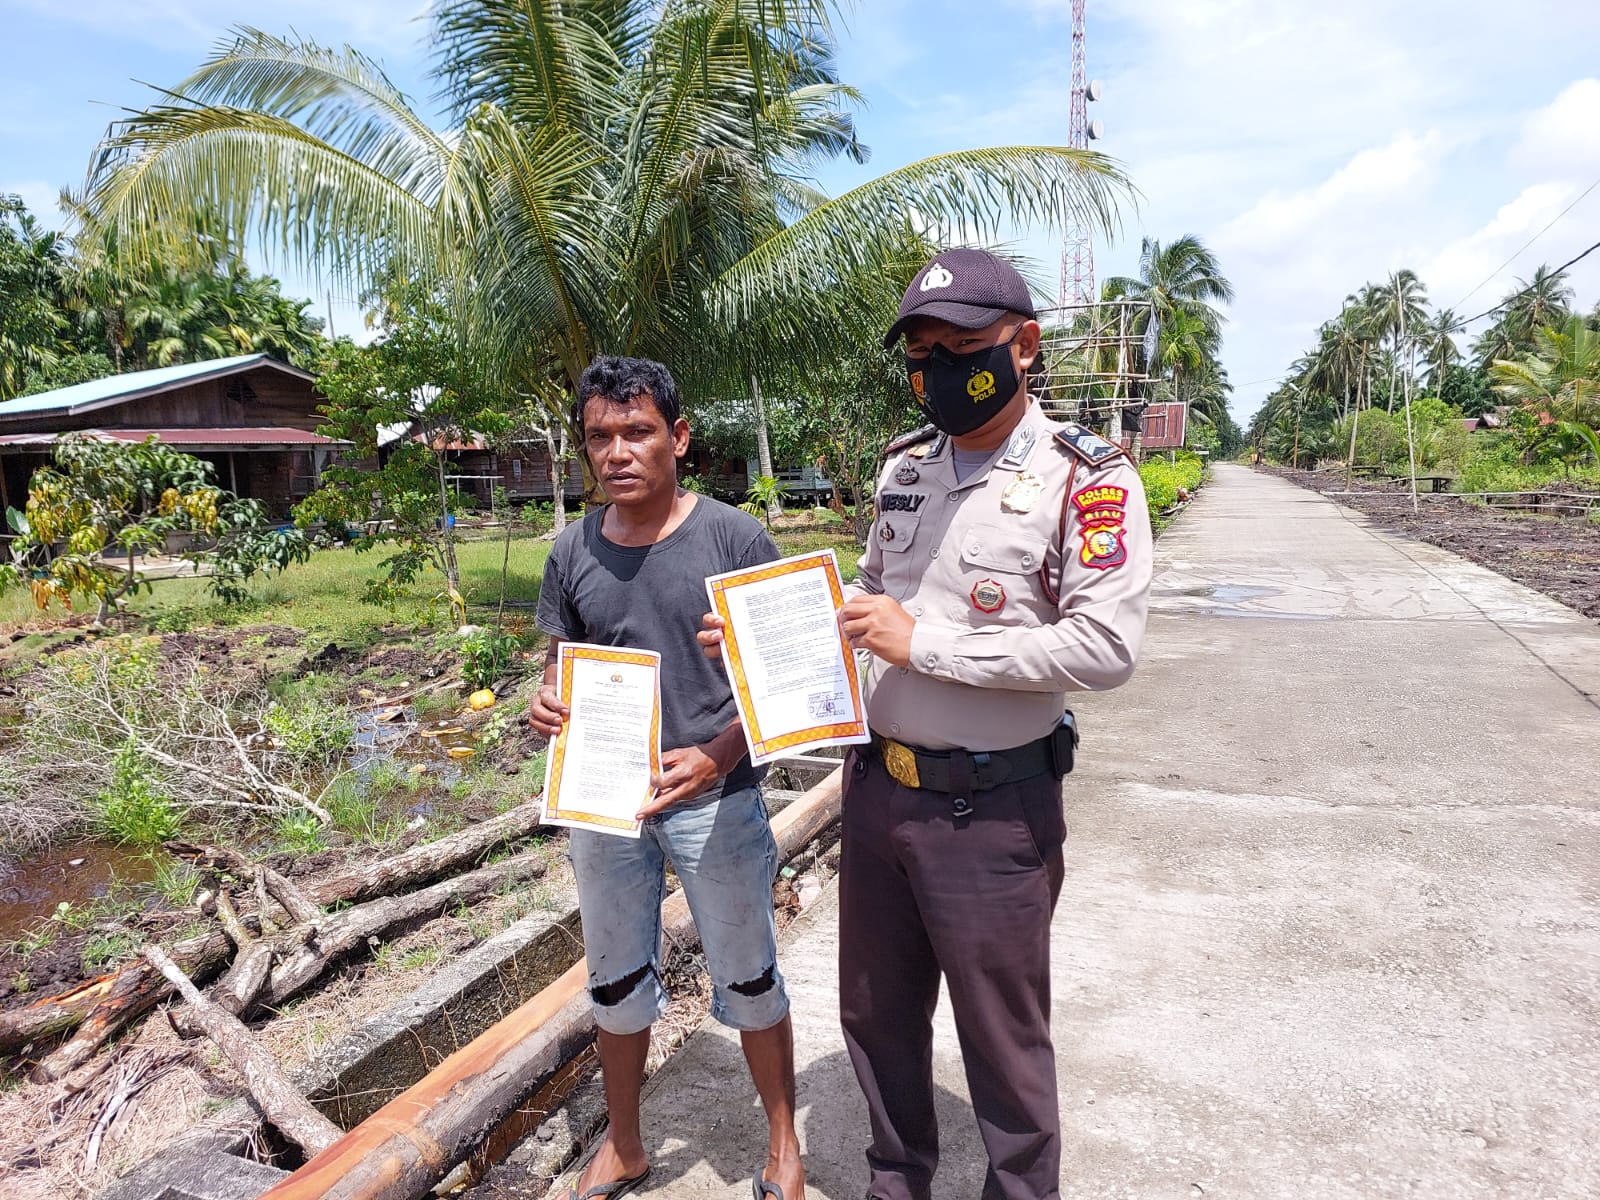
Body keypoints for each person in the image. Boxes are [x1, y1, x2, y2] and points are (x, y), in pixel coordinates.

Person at [705, 248, 1152, 1200]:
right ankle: (896, 1179)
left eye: (962, 348)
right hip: (879, 794)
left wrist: (929, 646)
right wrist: (764, 640)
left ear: (1023, 346)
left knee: (1002, 1039)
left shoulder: (1088, 477)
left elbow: (1104, 649)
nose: (939, 371)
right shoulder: (905, 468)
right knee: (874, 1017)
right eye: (922, 355)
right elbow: (874, 596)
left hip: (992, 812)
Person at [529, 356, 805, 1200]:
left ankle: (784, 1147)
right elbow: (559, 666)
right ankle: (626, 1145)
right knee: (613, 976)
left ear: (677, 438)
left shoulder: (733, 537)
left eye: (638, 431)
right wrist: (547, 704)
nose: (619, 452)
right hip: (608, 807)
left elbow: (784, 681)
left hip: (713, 799)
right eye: (600, 437)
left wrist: (717, 754)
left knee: (749, 971)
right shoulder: (571, 549)